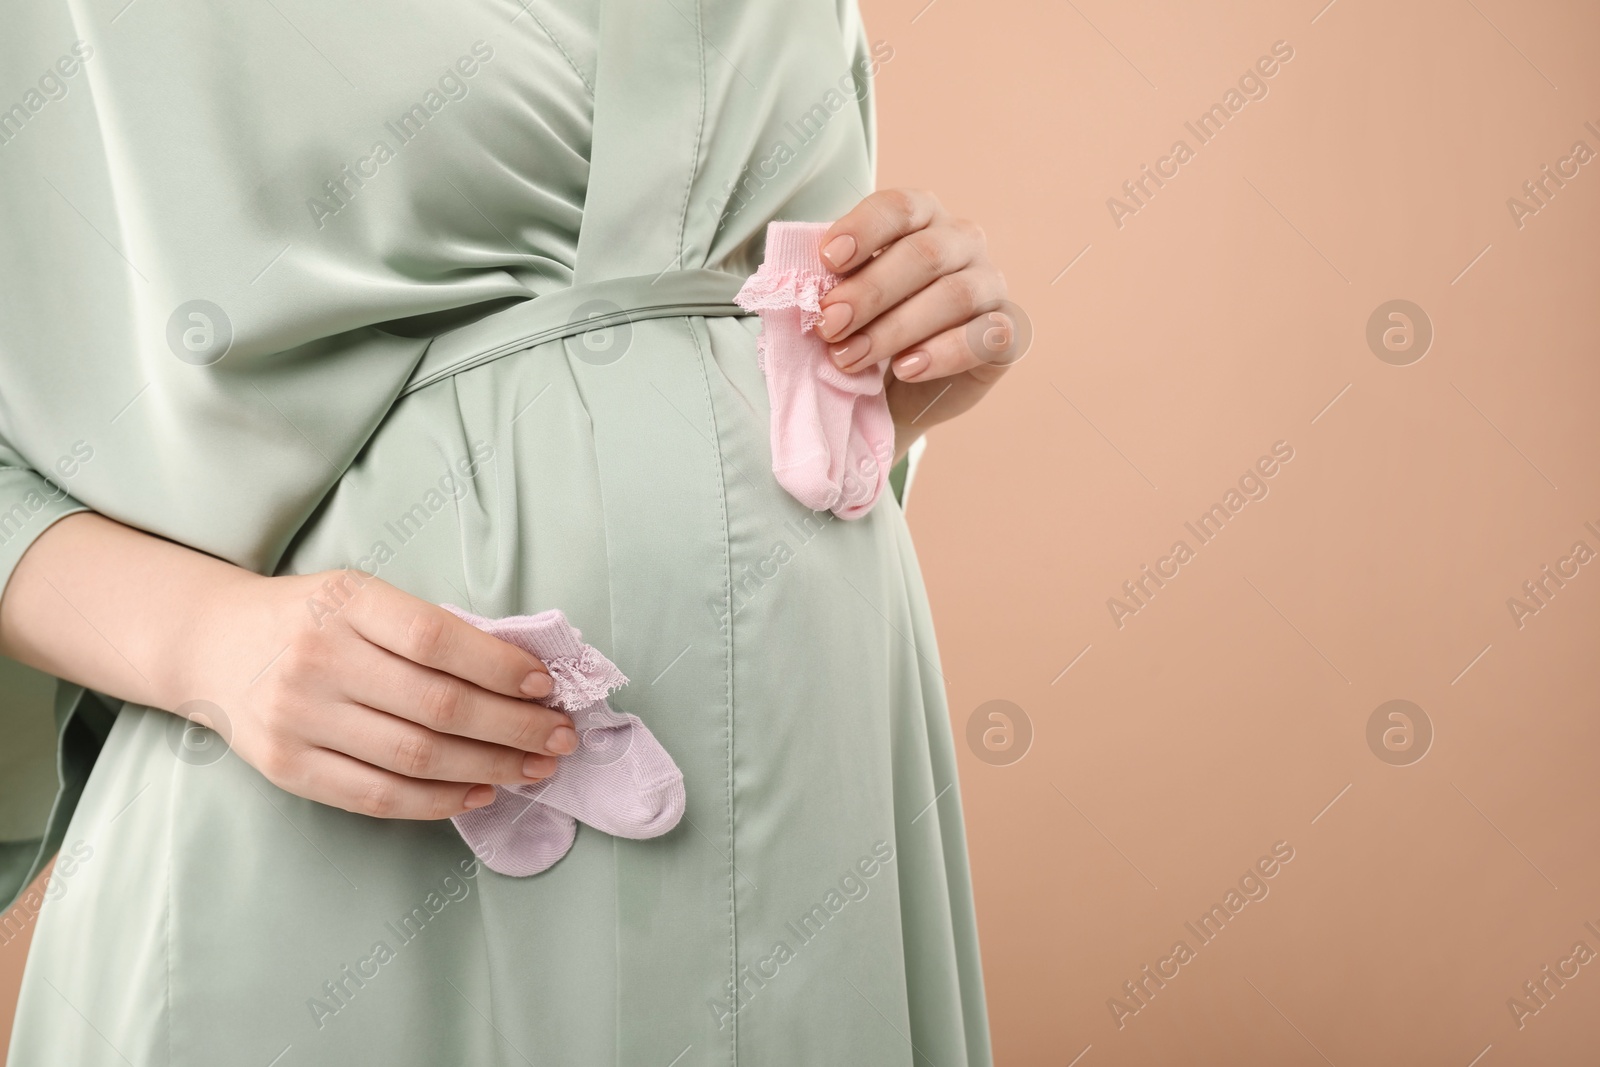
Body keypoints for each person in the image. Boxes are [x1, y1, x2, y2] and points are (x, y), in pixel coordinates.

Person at [0, 1, 1013, 1062]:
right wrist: (201, 640)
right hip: (349, 818)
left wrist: (884, 368)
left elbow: (749, 325)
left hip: (807, 768)